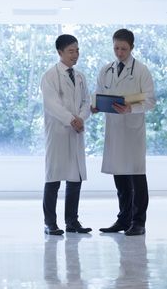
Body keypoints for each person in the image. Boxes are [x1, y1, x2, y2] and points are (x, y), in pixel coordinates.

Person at [92, 28, 156, 236]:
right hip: (115, 129)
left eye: (123, 48)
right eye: (116, 48)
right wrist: (95, 106)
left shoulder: (141, 70)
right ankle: (123, 219)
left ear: (132, 47)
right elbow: (99, 94)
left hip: (132, 130)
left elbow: (150, 100)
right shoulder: (106, 70)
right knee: (120, 178)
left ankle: (138, 222)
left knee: (136, 177)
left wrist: (131, 108)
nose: (119, 53)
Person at [41, 34, 92, 236]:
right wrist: (72, 120)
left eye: (77, 50)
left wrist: (81, 118)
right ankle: (50, 223)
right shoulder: (50, 76)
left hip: (75, 132)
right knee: (53, 178)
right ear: (60, 52)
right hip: (59, 133)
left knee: (75, 178)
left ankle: (72, 222)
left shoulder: (80, 77)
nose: (75, 54)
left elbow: (86, 102)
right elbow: (52, 105)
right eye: (71, 51)